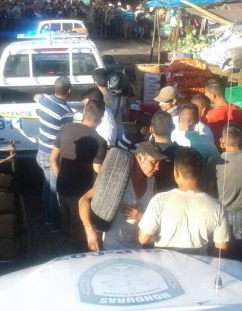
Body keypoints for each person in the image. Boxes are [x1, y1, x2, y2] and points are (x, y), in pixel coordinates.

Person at [138, 148, 230, 256]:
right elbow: (221, 250)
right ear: (200, 173)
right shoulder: (217, 207)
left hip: (165, 266)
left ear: (175, 172)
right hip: (199, 267)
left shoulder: (160, 200)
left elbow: (144, 239)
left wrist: (157, 233)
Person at [79, 141, 165, 251]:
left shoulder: (152, 182)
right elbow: (84, 200)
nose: (157, 167)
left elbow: (153, 216)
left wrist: (141, 217)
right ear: (139, 157)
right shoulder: (118, 180)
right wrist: (89, 231)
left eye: (159, 163)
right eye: (154, 162)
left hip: (139, 250)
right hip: (111, 249)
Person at [50, 100, 107, 246]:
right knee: (80, 235)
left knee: (66, 227)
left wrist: (61, 176)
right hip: (81, 196)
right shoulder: (99, 141)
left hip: (62, 189)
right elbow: (97, 170)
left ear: (84, 112)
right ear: (101, 120)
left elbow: (52, 159)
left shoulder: (66, 128)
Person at [207, 125, 242, 259]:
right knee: (238, 252)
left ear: (222, 140)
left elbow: (210, 188)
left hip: (220, 210)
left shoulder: (216, 160)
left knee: (220, 249)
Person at [34, 76, 74, 232]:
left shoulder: (44, 100)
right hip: (53, 157)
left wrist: (38, 97)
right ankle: (54, 224)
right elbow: (68, 135)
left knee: (46, 187)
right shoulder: (66, 113)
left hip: (41, 152)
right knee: (53, 191)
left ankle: (46, 218)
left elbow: (36, 96)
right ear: (69, 91)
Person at [171, 103, 218, 168]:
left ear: (178, 119)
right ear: (197, 121)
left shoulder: (168, 128)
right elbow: (215, 165)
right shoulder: (209, 143)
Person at [150, 111, 184, 193]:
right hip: (175, 200)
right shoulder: (183, 154)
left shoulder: (143, 153)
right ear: (173, 127)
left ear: (151, 129)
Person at [204, 80, 242, 145]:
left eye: (206, 94)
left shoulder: (209, 115)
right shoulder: (238, 110)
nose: (205, 96)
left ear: (213, 95)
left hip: (216, 149)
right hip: (235, 147)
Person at [92, 67, 127, 139]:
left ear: (95, 82)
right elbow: (125, 116)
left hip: (105, 135)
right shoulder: (121, 97)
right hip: (119, 133)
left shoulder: (96, 100)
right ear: (108, 79)